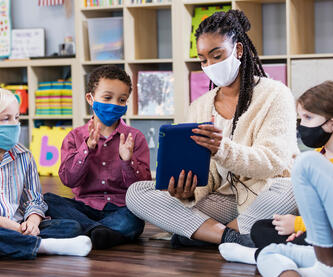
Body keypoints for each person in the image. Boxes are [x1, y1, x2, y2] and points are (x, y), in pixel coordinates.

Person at [125, 9, 299, 248]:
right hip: (221, 199)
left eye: (217, 56)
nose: (210, 65)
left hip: (265, 195)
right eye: (204, 59)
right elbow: (207, 179)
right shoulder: (199, 106)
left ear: (238, 50)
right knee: (136, 193)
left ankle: (200, 232)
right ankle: (231, 238)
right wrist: (186, 191)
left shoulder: (275, 94)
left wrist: (222, 149)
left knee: (291, 188)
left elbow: (273, 162)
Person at [228, 55, 333, 277]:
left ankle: (326, 269)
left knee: (306, 163)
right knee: (271, 251)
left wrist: (301, 225)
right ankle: (259, 256)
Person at [247, 81, 333, 251]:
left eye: (308, 117)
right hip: (321, 226)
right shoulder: (321, 152)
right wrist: (305, 227)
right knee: (260, 228)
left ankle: (281, 252)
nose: (301, 125)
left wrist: (299, 225)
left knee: (315, 238)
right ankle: (291, 251)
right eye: (301, 117)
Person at [44, 65, 152, 249]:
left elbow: (142, 187)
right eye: (107, 97)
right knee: (47, 200)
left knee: (134, 219)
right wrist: (86, 149)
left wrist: (128, 161)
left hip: (120, 208)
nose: (114, 104)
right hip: (83, 208)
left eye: (122, 99)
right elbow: (68, 179)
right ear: (90, 98)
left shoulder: (135, 138)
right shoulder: (75, 137)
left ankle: (83, 231)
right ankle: (101, 233)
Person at [0, 89, 92, 259]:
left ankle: (17, 244)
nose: (15, 124)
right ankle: (44, 246)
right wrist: (17, 229)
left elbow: (34, 199)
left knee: (72, 227)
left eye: (17, 118)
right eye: (6, 119)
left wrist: (32, 222)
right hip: (8, 227)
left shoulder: (24, 156)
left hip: (21, 225)